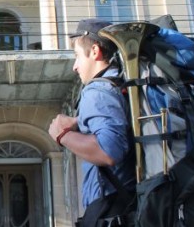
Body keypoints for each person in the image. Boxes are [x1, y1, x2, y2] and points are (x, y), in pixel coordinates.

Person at [48, 18, 136, 227]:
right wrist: (80, 121)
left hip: (111, 208)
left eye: (77, 56)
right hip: (129, 202)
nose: (75, 67)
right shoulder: (123, 85)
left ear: (95, 51)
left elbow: (108, 151)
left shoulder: (97, 91)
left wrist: (63, 136)